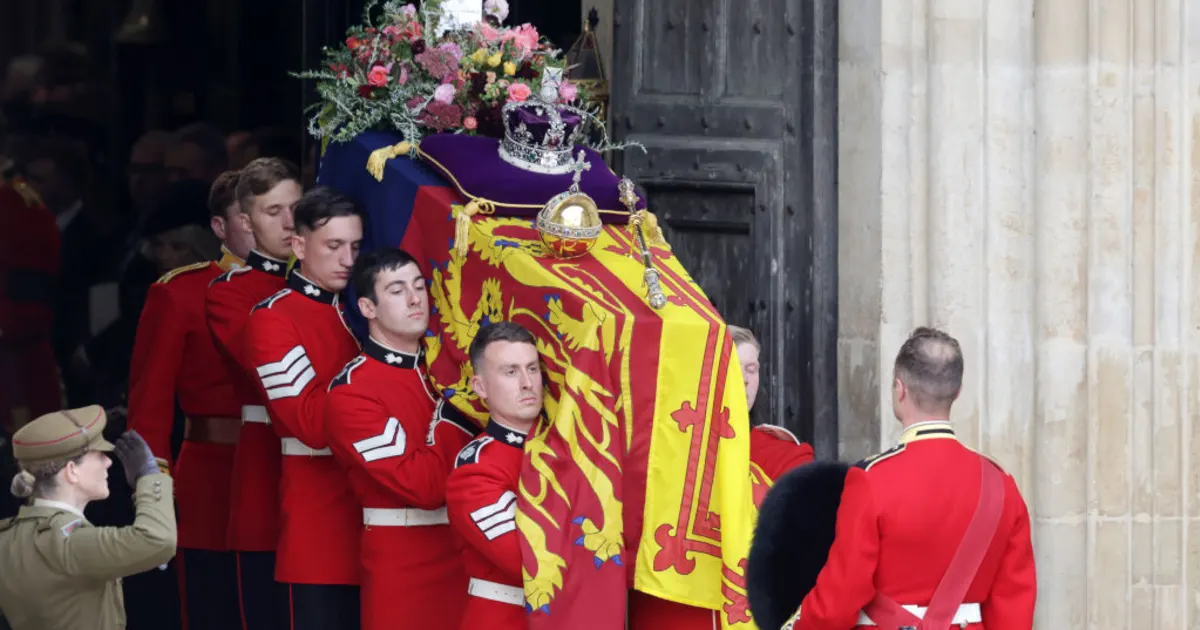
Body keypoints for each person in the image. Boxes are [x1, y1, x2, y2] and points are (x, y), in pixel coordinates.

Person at [776, 327, 1037, 629]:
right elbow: (1014, 609)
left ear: (900, 389)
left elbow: (838, 601)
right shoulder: (1000, 485)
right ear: (957, 392)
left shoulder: (870, 480)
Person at [325, 249, 475, 630]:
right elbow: (424, 487)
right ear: (367, 308)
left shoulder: (450, 367)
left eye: (419, 286)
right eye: (396, 290)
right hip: (406, 565)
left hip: (471, 556)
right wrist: (457, 411)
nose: (414, 299)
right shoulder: (352, 392)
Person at [125, 175, 251, 630]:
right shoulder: (180, 293)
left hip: (291, 474)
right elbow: (150, 407)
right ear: (220, 227)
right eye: (248, 215)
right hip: (213, 475)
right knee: (212, 604)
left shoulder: (312, 288)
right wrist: (153, 494)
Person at [244, 186, 364, 629]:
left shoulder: (357, 313)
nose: (347, 260)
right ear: (298, 245)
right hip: (319, 526)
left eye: (355, 247)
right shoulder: (273, 317)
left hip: (375, 527)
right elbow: (309, 423)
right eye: (333, 246)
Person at [205, 157, 301, 630]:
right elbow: (265, 368)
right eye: (273, 211)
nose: (289, 223)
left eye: (296, 208)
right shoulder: (231, 292)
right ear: (245, 222)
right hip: (266, 463)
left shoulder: (342, 283)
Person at [0, 406, 176, 630]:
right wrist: (150, 475)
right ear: (72, 471)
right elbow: (159, 540)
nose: (108, 462)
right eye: (99, 454)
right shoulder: (68, 543)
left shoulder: (7, 537)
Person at [446, 322, 543, 630]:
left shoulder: (570, 451)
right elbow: (525, 561)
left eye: (532, 369)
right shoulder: (475, 469)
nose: (527, 383)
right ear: (481, 387)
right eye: (511, 372)